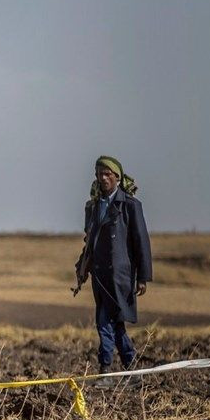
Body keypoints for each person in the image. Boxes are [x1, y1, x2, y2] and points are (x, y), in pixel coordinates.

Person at [80, 156, 152, 386]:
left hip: (120, 276)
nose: (102, 178)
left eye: (107, 174)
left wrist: (142, 276)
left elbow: (141, 241)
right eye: (99, 174)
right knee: (115, 322)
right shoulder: (93, 206)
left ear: (117, 178)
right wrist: (82, 267)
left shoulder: (130, 205)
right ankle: (131, 369)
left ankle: (105, 370)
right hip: (99, 276)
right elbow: (89, 241)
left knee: (104, 321)